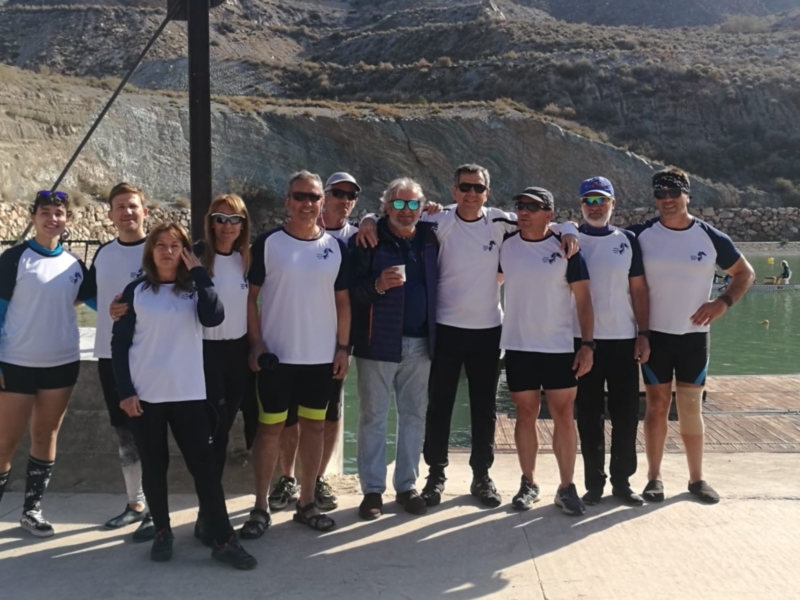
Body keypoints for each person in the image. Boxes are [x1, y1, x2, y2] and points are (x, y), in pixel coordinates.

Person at [356, 164, 579, 509]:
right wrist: (369, 218)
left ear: (487, 193)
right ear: (454, 190)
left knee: (484, 407)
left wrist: (570, 227)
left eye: (478, 188)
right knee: (438, 406)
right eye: (465, 187)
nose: (471, 193)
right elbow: (397, 216)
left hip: (488, 331)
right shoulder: (437, 219)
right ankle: (435, 475)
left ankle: (481, 475)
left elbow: (541, 221)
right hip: (444, 329)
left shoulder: (501, 221)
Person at [111, 222, 256, 569]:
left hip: (189, 393)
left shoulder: (194, 289)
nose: (167, 251)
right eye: (160, 245)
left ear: (184, 252)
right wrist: (126, 392)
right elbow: (119, 345)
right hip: (146, 396)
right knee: (154, 466)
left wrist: (200, 275)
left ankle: (223, 538)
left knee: (204, 468)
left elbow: (214, 317)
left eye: (175, 246)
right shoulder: (135, 291)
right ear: (151, 251)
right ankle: (162, 531)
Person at [629, 168, 754, 504]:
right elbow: (602, 243)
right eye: (660, 194)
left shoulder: (710, 236)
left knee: (689, 407)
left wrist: (722, 303)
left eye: (673, 193)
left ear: (687, 195)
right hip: (655, 336)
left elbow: (745, 273)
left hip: (694, 337)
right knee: (656, 407)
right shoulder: (640, 235)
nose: (667, 199)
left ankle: (696, 479)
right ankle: (654, 478)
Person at [242, 171, 350, 537]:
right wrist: (256, 343)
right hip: (277, 357)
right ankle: (260, 507)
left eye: (314, 197)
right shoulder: (268, 244)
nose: (307, 203)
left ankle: (306, 503)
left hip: (320, 358)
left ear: (322, 202)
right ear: (287, 201)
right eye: (300, 196)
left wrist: (343, 348)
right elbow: (249, 298)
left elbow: (343, 303)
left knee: (315, 427)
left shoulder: (335, 248)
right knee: (270, 429)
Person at [0, 190, 95, 537]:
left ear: (67, 220)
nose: (52, 219)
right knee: (5, 442)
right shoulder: (14, 259)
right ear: (33, 217)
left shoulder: (74, 265)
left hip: (61, 363)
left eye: (58, 213)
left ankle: (31, 510)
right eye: (45, 212)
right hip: (16, 363)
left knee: (45, 435)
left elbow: (99, 301)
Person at [269, 172, 361, 514]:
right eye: (338, 193)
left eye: (350, 195)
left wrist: (344, 347)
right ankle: (288, 477)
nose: (343, 200)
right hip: (284, 348)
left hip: (328, 347)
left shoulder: (354, 237)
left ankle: (318, 478)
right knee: (288, 418)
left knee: (330, 415)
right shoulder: (279, 240)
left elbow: (344, 301)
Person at [499, 187, 594, 516]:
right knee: (525, 415)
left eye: (533, 207)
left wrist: (587, 345)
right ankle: (528, 482)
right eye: (520, 205)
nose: (524, 211)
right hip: (519, 346)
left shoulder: (566, 247)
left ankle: (566, 487)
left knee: (564, 416)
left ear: (548, 214)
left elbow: (584, 299)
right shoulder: (506, 245)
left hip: (558, 348)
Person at [350, 178, 439, 520]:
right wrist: (377, 284)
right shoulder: (368, 239)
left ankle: (406, 486)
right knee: (373, 417)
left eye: (413, 204)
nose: (406, 211)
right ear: (386, 206)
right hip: (377, 342)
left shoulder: (430, 237)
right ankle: (372, 491)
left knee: (414, 415)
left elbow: (464, 213)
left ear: (422, 207)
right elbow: (351, 292)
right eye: (398, 204)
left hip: (421, 343)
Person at [572, 177, 650, 506]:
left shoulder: (627, 240)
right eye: (588, 201)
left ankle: (622, 481)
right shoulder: (570, 238)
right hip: (582, 341)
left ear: (612, 204)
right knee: (589, 416)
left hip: (623, 340)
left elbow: (638, 290)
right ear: (580, 205)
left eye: (601, 200)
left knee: (626, 415)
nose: (595, 207)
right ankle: (594, 484)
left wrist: (643, 334)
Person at [84, 182, 154, 541]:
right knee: (124, 434)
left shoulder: (159, 249)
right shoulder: (104, 253)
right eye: (120, 207)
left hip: (149, 356)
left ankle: (157, 509)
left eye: (133, 206)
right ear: (110, 215)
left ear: (145, 211)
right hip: (111, 357)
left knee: (152, 434)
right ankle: (135, 503)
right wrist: (111, 310)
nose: (127, 212)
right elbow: (91, 295)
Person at [192, 194, 252, 544]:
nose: (227, 226)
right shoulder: (196, 257)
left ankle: (210, 510)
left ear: (243, 225)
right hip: (205, 352)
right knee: (213, 435)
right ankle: (209, 514)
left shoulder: (247, 259)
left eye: (235, 220)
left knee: (225, 429)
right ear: (211, 223)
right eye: (220, 219)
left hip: (238, 353)